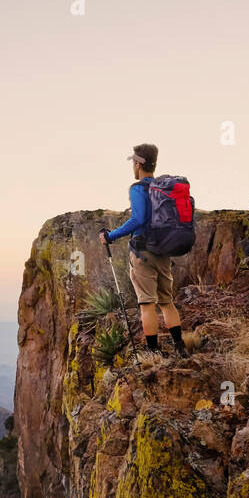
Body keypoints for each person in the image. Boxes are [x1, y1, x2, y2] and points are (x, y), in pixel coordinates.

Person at [98, 143, 188, 360]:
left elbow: (137, 219)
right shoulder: (163, 188)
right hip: (163, 250)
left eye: (134, 162)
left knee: (147, 304)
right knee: (167, 302)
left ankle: (153, 351)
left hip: (142, 251)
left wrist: (110, 236)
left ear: (139, 164)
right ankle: (180, 347)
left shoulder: (138, 188)